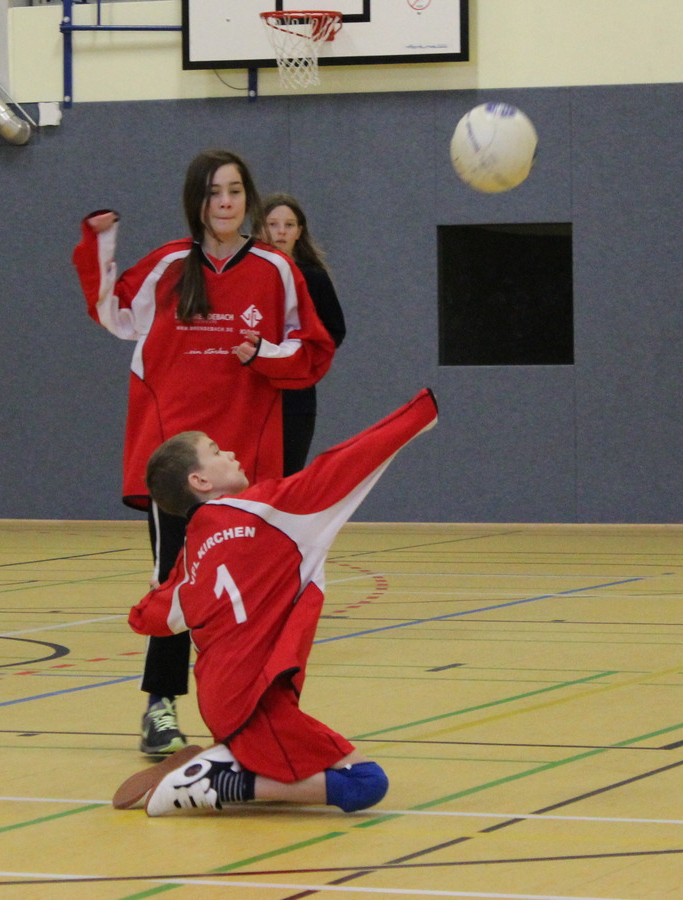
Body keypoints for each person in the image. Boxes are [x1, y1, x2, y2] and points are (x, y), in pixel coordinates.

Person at [72, 150, 336, 757]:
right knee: (175, 579)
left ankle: (260, 706)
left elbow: (311, 351)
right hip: (179, 462)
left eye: (236, 191)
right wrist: (101, 243)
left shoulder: (274, 269)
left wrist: (262, 354)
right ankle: (159, 706)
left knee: (260, 587)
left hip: (245, 460)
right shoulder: (168, 266)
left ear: (249, 199)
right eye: (215, 192)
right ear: (197, 201)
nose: (226, 202)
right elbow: (111, 311)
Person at [111, 389, 438, 816]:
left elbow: (148, 617)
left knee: (337, 774)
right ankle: (215, 782)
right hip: (253, 700)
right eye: (214, 450)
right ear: (200, 481)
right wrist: (418, 415)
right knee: (364, 785)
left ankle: (225, 762)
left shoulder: (190, 556)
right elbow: (344, 462)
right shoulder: (273, 510)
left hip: (224, 697)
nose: (228, 451)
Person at [264, 192, 348, 475]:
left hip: (296, 396)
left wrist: (301, 358)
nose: (281, 231)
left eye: (289, 225)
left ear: (299, 231)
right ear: (261, 228)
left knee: (288, 477)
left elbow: (335, 330)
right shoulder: (249, 275)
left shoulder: (314, 278)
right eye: (273, 224)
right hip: (254, 394)